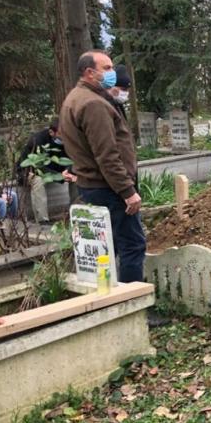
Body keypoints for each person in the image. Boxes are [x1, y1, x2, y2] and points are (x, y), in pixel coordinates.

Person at [59, 51, 145, 283]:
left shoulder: (75, 97)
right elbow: (106, 155)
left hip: (95, 186)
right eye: (106, 68)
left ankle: (106, 296)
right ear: (89, 72)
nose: (112, 73)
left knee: (108, 245)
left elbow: (83, 147)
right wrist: (127, 192)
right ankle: (131, 304)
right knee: (132, 245)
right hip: (110, 188)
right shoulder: (94, 104)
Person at [15, 119, 77, 224]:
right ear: (51, 132)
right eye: (61, 134)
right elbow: (39, 167)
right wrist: (59, 176)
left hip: (55, 169)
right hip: (30, 169)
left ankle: (75, 214)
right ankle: (42, 221)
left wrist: (67, 171)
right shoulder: (38, 140)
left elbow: (72, 158)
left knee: (75, 177)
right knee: (37, 180)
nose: (64, 136)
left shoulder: (68, 139)